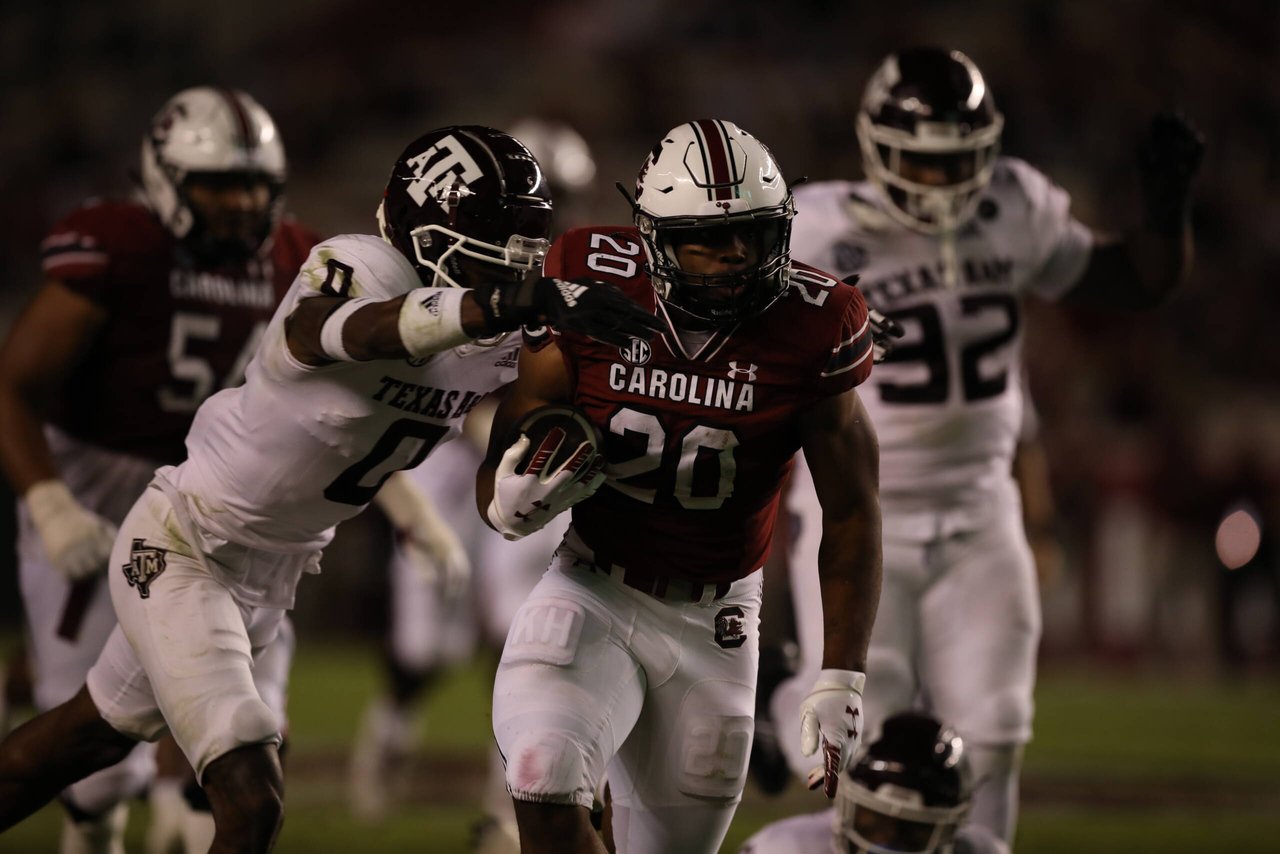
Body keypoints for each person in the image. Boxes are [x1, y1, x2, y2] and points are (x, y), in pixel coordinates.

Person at [0, 125, 660, 854]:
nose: (511, 267)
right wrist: (510, 303)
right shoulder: (360, 265)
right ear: (424, 234)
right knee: (251, 800)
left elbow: (525, 419)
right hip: (185, 544)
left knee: (86, 736)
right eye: (492, 250)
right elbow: (344, 331)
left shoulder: (500, 330)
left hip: (273, 575)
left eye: (523, 252)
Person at [770, 46, 1203, 848]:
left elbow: (1131, 281)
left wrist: (1166, 215)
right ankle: (787, 720)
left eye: (956, 162)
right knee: (852, 737)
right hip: (860, 514)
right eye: (919, 162)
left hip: (981, 512)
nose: (939, 183)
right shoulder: (817, 226)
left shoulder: (1014, 205)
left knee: (994, 729)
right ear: (876, 148)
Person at [479, 119, 882, 854]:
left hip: (717, 618)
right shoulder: (590, 275)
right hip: (592, 587)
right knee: (543, 774)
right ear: (655, 241)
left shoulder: (817, 323)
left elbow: (852, 509)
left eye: (754, 234)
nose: (738, 255)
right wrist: (502, 500)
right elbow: (522, 419)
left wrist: (842, 675)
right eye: (710, 239)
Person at [0, 86, 317, 854]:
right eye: (218, 185)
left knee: (195, 695)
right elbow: (14, 385)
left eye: (254, 186)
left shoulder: (297, 260)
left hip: (211, 484)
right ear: (165, 178)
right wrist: (49, 500)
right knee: (95, 762)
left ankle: (167, 804)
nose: (241, 205)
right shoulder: (119, 244)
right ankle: (93, 820)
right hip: (95, 477)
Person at [347, 122, 598, 853]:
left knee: (527, 617)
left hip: (512, 448)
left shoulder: (566, 266)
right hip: (437, 449)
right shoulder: (454, 256)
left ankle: (510, 792)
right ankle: (393, 724)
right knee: (428, 639)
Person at [738, 711, 1007, 854]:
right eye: (876, 819)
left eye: (912, 827)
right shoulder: (786, 848)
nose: (888, 840)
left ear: (952, 827)